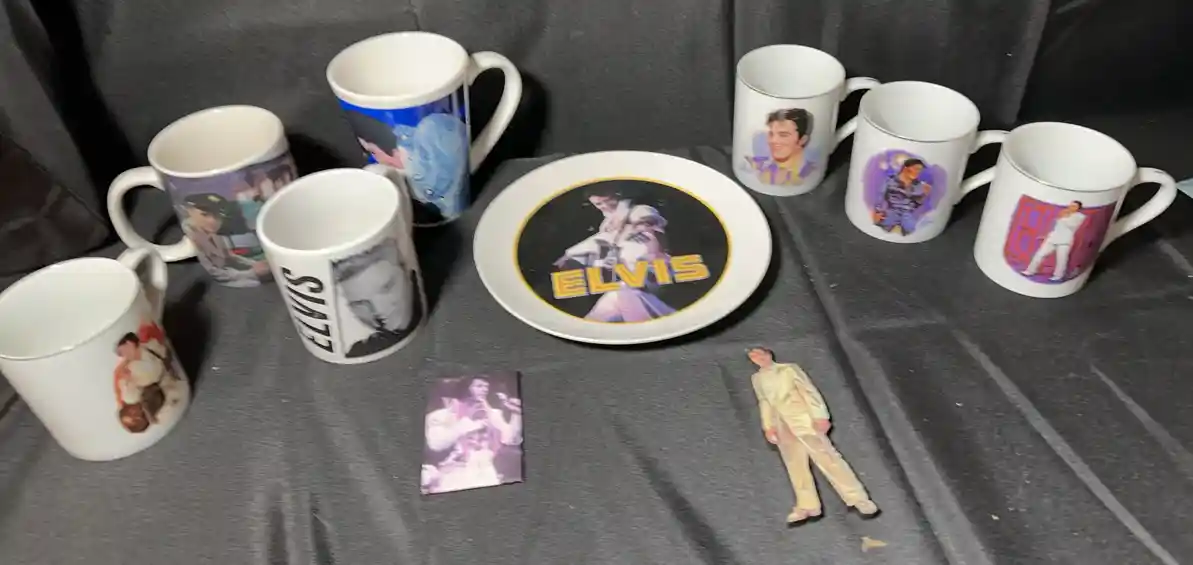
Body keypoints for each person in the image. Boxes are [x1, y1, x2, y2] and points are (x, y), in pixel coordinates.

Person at [747, 347, 878, 523]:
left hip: (803, 419)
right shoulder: (757, 378)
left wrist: (820, 415)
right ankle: (807, 505)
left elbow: (808, 391)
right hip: (781, 425)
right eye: (754, 357)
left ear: (768, 354)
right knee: (795, 465)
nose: (758, 359)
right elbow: (764, 402)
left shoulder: (789, 369)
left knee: (828, 459)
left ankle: (858, 499)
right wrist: (768, 426)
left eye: (760, 354)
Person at [423, 377, 523, 493]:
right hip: (455, 476)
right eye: (479, 386)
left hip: (486, 475)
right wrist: (468, 423)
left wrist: (517, 415)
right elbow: (436, 444)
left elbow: (511, 439)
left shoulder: (493, 415)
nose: (484, 390)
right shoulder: (441, 416)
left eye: (486, 387)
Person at [581, 205, 676, 322]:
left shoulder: (654, 243)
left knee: (622, 292)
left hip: (650, 300)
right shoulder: (618, 246)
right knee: (612, 300)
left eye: (648, 223)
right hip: (626, 296)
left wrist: (654, 249)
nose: (640, 228)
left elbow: (659, 281)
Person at [332, 239, 422, 358]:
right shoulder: (360, 351)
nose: (379, 310)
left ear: (405, 271)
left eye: (386, 288)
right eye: (360, 303)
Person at [179, 193, 270, 286]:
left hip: (227, 274)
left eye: (218, 216)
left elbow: (229, 256)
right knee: (255, 283)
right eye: (205, 215)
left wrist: (254, 264)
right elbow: (212, 273)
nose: (212, 221)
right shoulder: (187, 239)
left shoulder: (212, 232)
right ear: (189, 212)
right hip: (211, 284)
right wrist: (250, 273)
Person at [113, 331, 176, 433]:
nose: (124, 356)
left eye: (122, 352)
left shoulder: (142, 363)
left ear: (129, 344)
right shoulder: (131, 394)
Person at [744, 108, 816, 186]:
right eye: (771, 134)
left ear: (802, 140)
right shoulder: (756, 167)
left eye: (783, 135)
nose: (773, 140)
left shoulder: (812, 175)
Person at [1021, 200, 1088, 281]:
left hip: (1065, 241)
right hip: (1052, 238)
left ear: (1078, 208)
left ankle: (1058, 275)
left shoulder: (1080, 216)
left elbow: (1072, 225)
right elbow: (1056, 227)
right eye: (1071, 205)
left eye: (1074, 206)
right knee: (1039, 254)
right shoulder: (1063, 213)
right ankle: (1030, 271)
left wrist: (1065, 216)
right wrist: (1046, 236)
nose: (1071, 207)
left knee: (1061, 259)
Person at [873, 158, 933, 235]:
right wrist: (877, 212)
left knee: (913, 229)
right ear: (905, 168)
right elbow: (880, 197)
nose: (918, 172)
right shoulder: (890, 180)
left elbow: (918, 204)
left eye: (920, 170)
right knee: (881, 227)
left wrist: (925, 195)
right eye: (916, 169)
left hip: (907, 215)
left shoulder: (919, 186)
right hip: (891, 212)